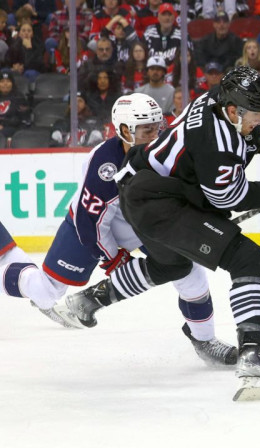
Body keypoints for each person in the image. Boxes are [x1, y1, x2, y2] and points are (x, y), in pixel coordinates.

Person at [66, 66, 260, 390]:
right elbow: (229, 196)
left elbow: (248, 133)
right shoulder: (216, 143)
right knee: (246, 257)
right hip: (159, 201)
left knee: (170, 264)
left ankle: (89, 300)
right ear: (233, 110)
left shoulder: (219, 98)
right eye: (256, 115)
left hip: (143, 188)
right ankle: (253, 354)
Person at [2, 93, 239, 366]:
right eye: (146, 129)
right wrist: (114, 259)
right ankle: (7, 257)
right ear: (125, 131)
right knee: (45, 291)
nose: (155, 135)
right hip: (92, 230)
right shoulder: (104, 164)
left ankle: (204, 340)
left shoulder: (166, 150)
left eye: (157, 127)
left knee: (192, 274)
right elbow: (90, 224)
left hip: (144, 223)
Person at [0, 70, 30, 140]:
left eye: (8, 81)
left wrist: (3, 125)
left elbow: (22, 119)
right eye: (2, 82)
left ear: (12, 83)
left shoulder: (18, 97)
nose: (5, 84)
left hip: (13, 128)